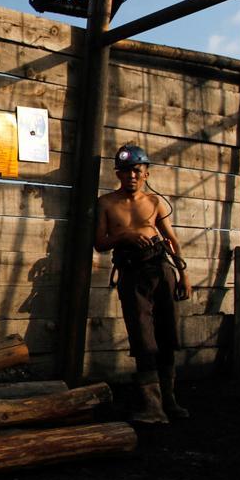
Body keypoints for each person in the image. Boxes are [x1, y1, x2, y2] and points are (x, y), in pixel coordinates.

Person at [94, 144, 193, 424]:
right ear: (118, 174)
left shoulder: (154, 202)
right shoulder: (106, 203)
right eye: (125, 171)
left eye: (137, 171)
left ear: (146, 173)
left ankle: (169, 401)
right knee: (142, 336)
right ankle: (152, 405)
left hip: (161, 271)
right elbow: (100, 243)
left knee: (167, 333)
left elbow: (171, 238)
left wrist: (183, 273)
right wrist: (125, 237)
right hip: (132, 274)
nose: (131, 176)